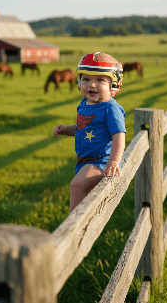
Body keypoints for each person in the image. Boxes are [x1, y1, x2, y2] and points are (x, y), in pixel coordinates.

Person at [53, 52, 126, 212]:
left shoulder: (110, 108)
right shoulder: (85, 104)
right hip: (85, 161)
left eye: (100, 80)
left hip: (102, 161)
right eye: (86, 79)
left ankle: (73, 226)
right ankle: (84, 220)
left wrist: (113, 161)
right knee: (87, 195)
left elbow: (119, 135)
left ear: (113, 85)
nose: (91, 85)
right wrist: (66, 130)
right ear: (78, 82)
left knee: (77, 185)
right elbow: (83, 127)